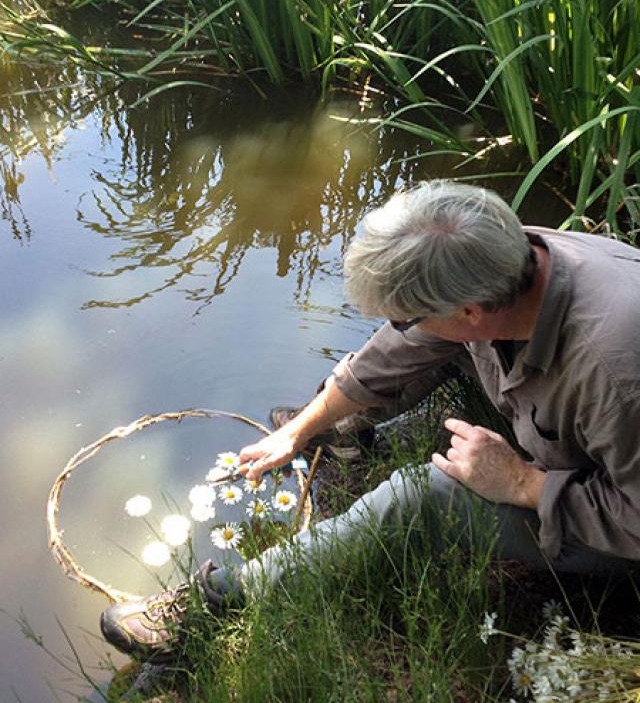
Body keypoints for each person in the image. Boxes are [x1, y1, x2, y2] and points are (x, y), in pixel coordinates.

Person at [100, 180, 640, 659]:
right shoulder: (495, 259)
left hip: (626, 531)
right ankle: (341, 434)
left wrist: (523, 483)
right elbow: (397, 349)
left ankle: (221, 603)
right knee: (428, 349)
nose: (401, 326)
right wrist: (300, 429)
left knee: (423, 494)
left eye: (407, 314)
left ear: (472, 311)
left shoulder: (616, 374)